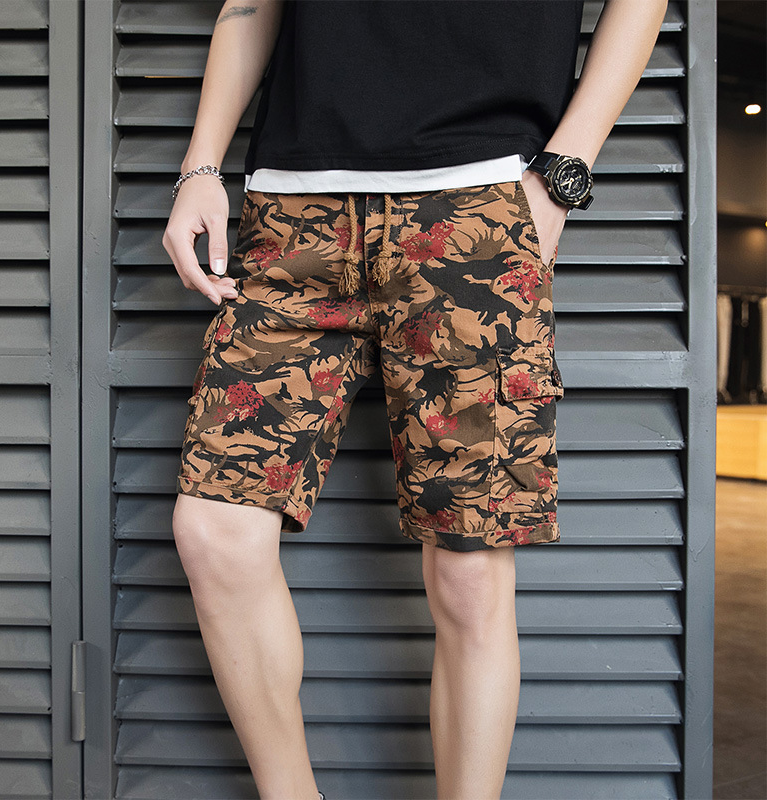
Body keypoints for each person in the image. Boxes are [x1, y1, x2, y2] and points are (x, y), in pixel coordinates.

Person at [162, 1, 668, 797]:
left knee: (470, 571)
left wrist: (561, 175)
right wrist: (200, 168)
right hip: (292, 219)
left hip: (474, 212)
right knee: (214, 533)